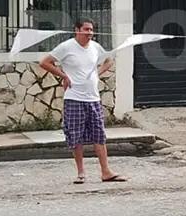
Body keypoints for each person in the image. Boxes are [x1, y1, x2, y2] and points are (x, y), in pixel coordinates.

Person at [39, 18, 126, 184]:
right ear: (77, 30)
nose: (90, 33)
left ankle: (106, 171)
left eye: (91, 30)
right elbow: (44, 62)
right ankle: (81, 172)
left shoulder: (95, 47)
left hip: (93, 98)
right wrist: (63, 75)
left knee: (99, 135)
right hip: (74, 98)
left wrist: (97, 73)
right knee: (75, 136)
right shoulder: (67, 47)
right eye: (86, 29)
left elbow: (108, 60)